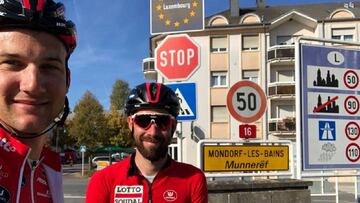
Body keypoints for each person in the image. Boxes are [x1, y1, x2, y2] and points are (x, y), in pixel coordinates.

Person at [0, 0, 76, 202]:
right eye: (12, 63)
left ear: (67, 80)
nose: (32, 85)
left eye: (49, 67)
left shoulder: (49, 169)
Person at [86, 82, 208, 203]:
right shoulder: (103, 181)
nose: (153, 132)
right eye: (143, 120)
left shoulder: (193, 179)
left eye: (162, 121)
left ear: (173, 126)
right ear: (130, 123)